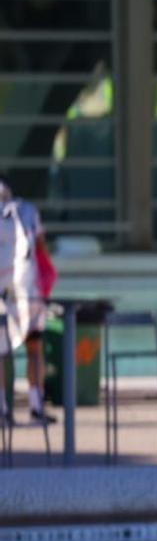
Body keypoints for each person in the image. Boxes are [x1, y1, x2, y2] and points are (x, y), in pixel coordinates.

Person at [0, 179, 50, 423]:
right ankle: (35, 404)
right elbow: (41, 246)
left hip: (6, 292)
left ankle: (3, 407)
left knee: (4, 351)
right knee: (34, 348)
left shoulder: (24, 211)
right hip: (28, 289)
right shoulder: (27, 211)